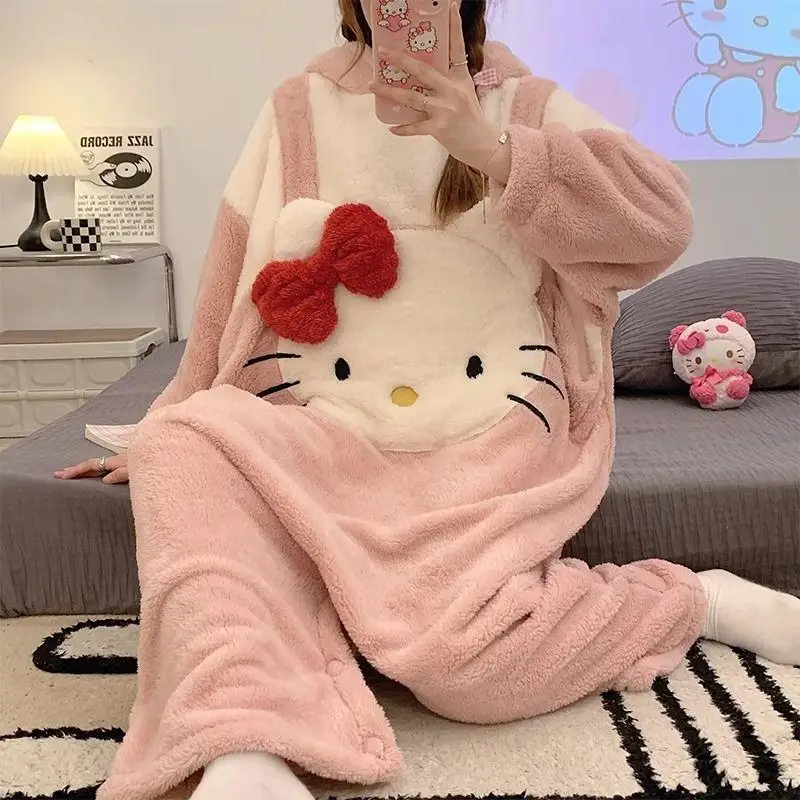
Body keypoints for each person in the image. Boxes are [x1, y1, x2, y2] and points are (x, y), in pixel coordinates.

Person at [57, 2, 800, 799]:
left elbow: (661, 222)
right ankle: (243, 739)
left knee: (466, 670)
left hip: (480, 434)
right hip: (328, 427)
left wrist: (492, 149)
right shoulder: (296, 113)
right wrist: (165, 422)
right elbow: (226, 289)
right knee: (186, 442)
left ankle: (691, 600)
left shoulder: (530, 105)